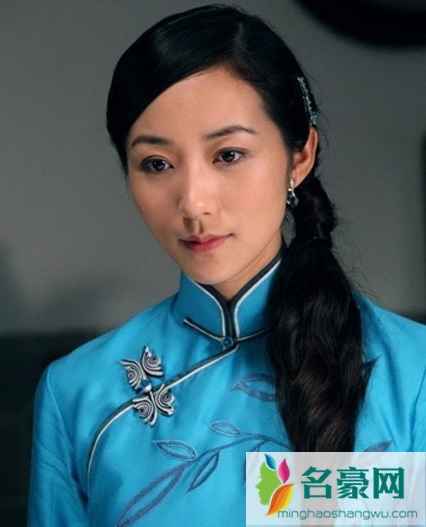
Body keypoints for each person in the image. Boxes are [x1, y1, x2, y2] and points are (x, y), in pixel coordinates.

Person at [28, 5, 426, 526]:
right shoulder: (78, 393)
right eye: (156, 164)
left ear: (299, 156)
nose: (194, 202)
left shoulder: (413, 373)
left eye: (228, 154)